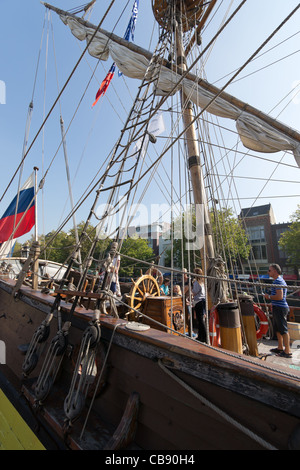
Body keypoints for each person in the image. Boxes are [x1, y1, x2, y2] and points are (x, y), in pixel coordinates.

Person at [264, 264, 291, 358]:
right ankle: (280, 347)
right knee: (278, 329)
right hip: (277, 307)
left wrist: (269, 297)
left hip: (280, 308)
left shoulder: (278, 281)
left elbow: (280, 297)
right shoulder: (277, 281)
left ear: (275, 271)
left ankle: (287, 351)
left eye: (269, 270)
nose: (268, 272)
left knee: (283, 329)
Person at [192, 267, 206, 342]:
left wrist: (191, 293)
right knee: (201, 319)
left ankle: (204, 337)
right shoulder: (203, 282)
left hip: (198, 302)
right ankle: (200, 336)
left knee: (200, 320)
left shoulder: (196, 283)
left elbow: (195, 292)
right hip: (203, 301)